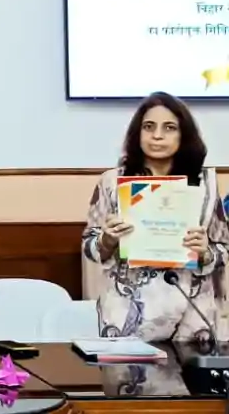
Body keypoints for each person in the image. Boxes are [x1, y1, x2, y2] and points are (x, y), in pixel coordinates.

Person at [82, 91, 228, 343]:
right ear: (137, 133)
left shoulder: (205, 185)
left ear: (184, 134)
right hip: (127, 315)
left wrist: (205, 251)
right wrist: (106, 240)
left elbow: (223, 249)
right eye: (148, 127)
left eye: (169, 128)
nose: (157, 135)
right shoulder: (112, 182)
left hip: (192, 317)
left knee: (193, 370)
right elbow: (89, 244)